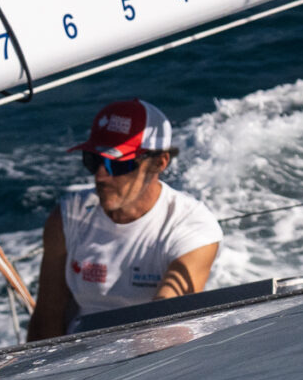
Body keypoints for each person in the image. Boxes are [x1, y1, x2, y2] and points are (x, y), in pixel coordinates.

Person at [28, 99, 222, 340]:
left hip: (150, 351)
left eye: (117, 164)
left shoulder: (192, 227)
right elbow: (48, 314)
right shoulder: (68, 215)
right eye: (93, 160)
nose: (101, 176)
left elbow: (165, 324)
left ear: (159, 163)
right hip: (77, 351)